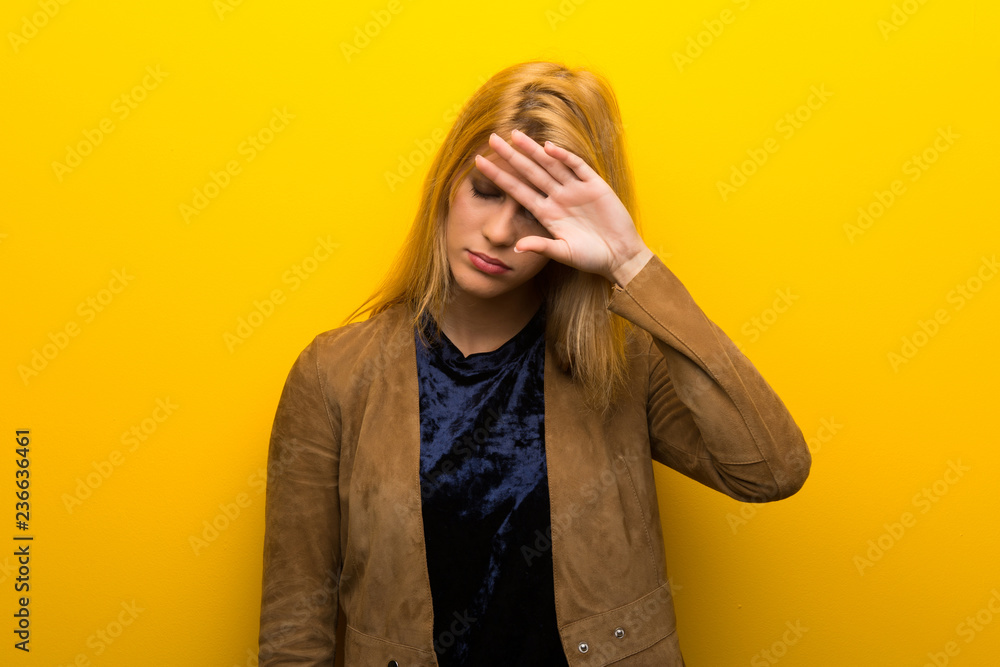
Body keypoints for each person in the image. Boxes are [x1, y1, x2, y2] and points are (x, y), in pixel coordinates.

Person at [257, 61, 811, 666]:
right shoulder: (334, 374)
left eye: (536, 208)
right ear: (446, 185)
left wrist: (631, 263)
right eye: (486, 191)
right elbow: (295, 626)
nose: (499, 232)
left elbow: (771, 471)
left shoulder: (623, 361)